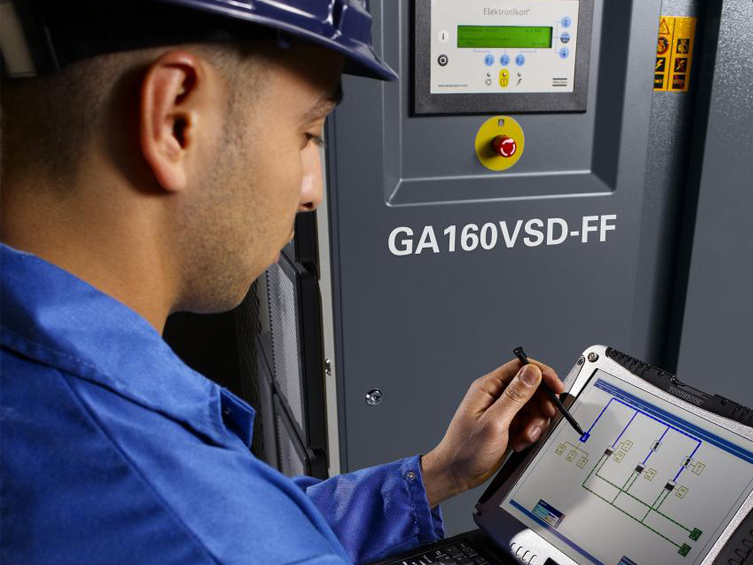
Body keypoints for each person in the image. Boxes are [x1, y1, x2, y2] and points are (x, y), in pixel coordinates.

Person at [0, 1, 565, 563]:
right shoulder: (201, 523)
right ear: (176, 120)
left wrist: (438, 473)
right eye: (308, 133)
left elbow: (245, 521)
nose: (312, 191)